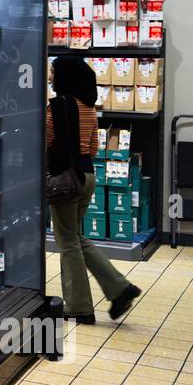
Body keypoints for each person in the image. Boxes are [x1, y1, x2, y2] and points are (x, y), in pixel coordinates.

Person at [47, 56, 140, 324]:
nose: (50, 77)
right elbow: (93, 148)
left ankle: (79, 308)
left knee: (67, 243)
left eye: (53, 72)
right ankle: (120, 288)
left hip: (64, 179)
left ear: (65, 76)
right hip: (87, 176)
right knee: (75, 236)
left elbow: (46, 139)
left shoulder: (57, 106)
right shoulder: (88, 107)